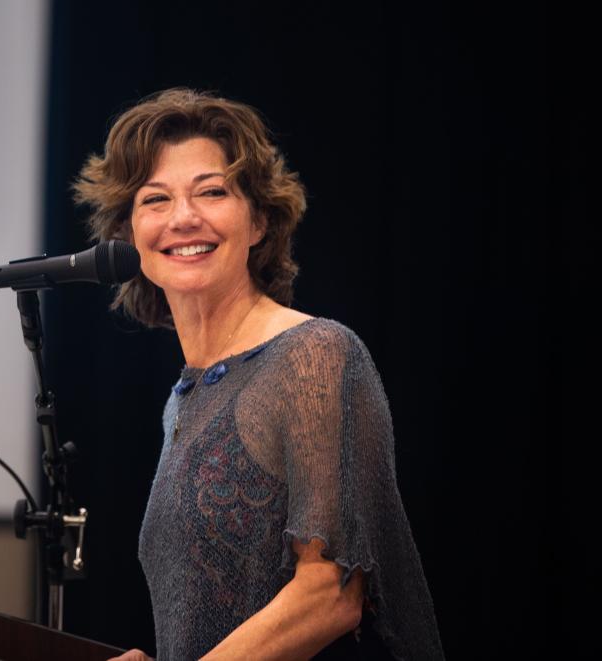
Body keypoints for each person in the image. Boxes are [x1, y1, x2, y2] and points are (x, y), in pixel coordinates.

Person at [72, 88, 445, 661]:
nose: (183, 218)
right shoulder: (185, 396)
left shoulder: (313, 354)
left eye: (212, 192)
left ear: (260, 223)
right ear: (130, 238)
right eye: (155, 200)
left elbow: (331, 593)